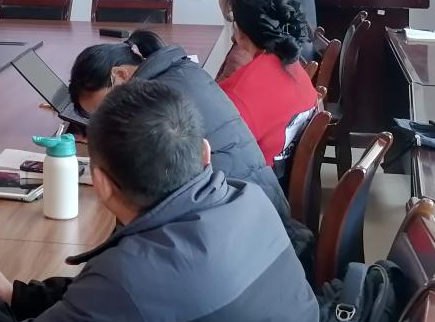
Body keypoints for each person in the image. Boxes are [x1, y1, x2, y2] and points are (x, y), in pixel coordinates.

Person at [0, 80, 320, 322]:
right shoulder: (247, 198)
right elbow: (113, 301)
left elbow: (125, 293)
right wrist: (17, 296)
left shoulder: (130, 276)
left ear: (100, 183)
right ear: (205, 154)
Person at [68, 32, 289, 217]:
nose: (108, 118)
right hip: (258, 201)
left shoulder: (157, 100)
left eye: (106, 106)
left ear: (120, 74)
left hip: (240, 213)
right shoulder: (179, 71)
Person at [220, 0, 319, 169]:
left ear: (239, 31)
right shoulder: (293, 65)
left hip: (253, 181)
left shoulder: (239, 94)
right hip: (278, 177)